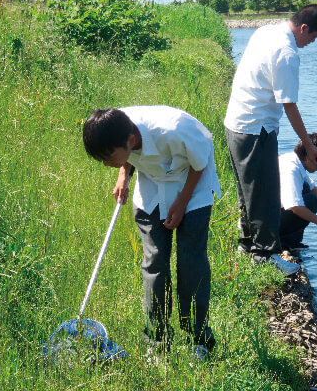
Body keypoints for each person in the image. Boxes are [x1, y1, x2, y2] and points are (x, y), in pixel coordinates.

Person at [82, 105, 221, 360]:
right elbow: (126, 158)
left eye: (108, 157)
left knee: (191, 264)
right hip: (151, 191)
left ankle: (198, 340)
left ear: (131, 140)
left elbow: (200, 162)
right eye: (101, 159)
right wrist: (123, 174)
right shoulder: (115, 126)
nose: (106, 163)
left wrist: (181, 203)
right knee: (154, 263)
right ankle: (157, 340)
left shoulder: (174, 128)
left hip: (192, 186)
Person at [224, 4, 317, 276]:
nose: (310, 43)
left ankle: (247, 246)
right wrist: (308, 145)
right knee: (265, 194)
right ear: (303, 28)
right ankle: (266, 256)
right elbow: (289, 104)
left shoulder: (266, 31)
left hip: (236, 121)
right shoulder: (286, 52)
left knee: (247, 190)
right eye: (313, 37)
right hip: (256, 127)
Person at [279, 132, 317, 253]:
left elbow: (314, 188)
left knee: (310, 193)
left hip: (272, 214)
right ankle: (284, 242)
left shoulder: (295, 161)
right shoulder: (291, 169)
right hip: (267, 222)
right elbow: (295, 207)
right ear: (308, 155)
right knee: (312, 201)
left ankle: (290, 242)